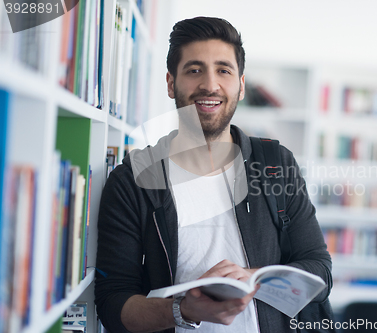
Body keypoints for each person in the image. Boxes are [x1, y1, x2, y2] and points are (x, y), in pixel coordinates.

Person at [95, 16, 332, 333]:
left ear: (241, 85)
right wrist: (183, 310)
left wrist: (251, 278)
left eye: (223, 70)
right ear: (170, 83)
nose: (209, 84)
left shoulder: (276, 163)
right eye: (194, 70)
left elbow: (319, 270)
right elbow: (113, 305)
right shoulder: (132, 180)